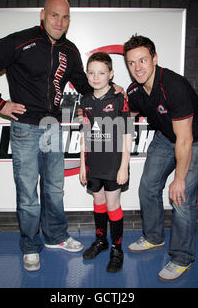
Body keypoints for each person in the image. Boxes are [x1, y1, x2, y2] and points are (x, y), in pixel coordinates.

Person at [0, 0, 122, 272]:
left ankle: (56, 236)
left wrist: (112, 91)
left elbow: (86, 86)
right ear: (43, 14)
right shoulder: (20, 41)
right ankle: (31, 246)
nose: (60, 22)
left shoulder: (71, 51)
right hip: (24, 127)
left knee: (54, 188)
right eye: (55, 15)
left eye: (65, 17)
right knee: (28, 193)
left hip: (52, 126)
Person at [123, 35, 198, 281]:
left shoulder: (174, 86)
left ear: (154, 59)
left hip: (197, 140)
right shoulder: (135, 90)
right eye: (132, 63)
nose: (138, 68)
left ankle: (181, 258)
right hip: (167, 136)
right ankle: (154, 237)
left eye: (143, 60)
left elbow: (185, 140)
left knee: (181, 196)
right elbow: (127, 115)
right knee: (148, 186)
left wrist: (179, 177)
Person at [78, 52, 132, 273]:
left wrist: (124, 166)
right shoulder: (85, 100)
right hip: (93, 163)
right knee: (98, 203)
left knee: (112, 206)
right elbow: (85, 133)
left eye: (101, 72)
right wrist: (82, 164)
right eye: (91, 73)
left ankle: (117, 249)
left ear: (111, 74)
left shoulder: (120, 100)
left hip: (113, 164)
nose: (96, 77)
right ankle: (101, 241)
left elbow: (128, 134)